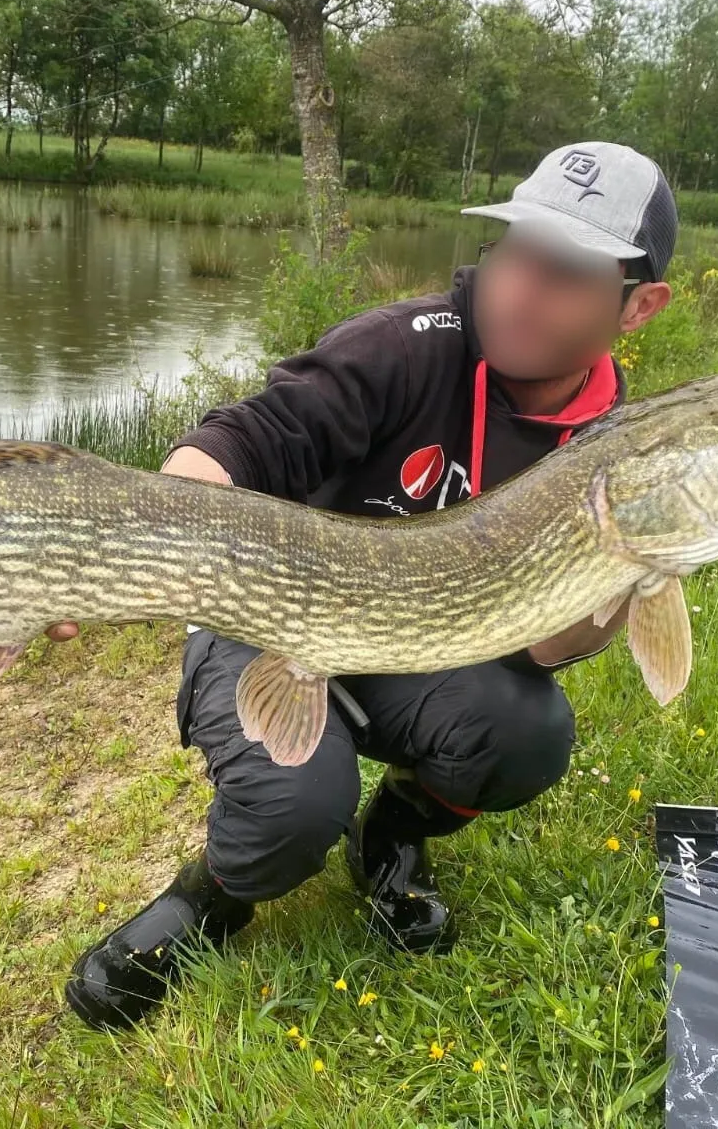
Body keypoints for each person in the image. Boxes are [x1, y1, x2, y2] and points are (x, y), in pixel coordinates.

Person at [60, 142, 678, 1030]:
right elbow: (250, 436)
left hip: (411, 638)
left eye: (568, 273)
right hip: (263, 614)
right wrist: (124, 545)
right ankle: (214, 897)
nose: (520, 290)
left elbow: (542, 648)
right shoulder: (403, 345)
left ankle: (392, 834)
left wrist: (617, 582)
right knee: (297, 798)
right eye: (514, 252)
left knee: (529, 730)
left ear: (639, 306)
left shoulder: (615, 447)